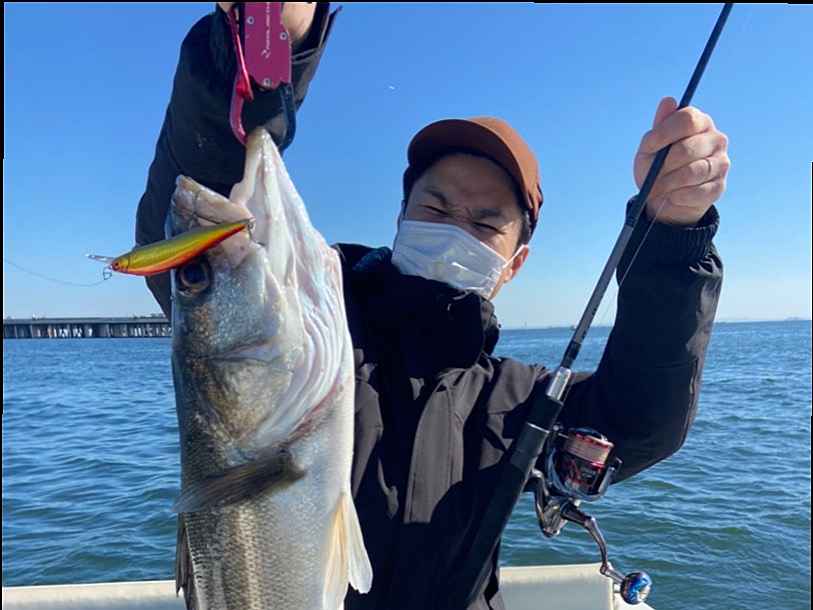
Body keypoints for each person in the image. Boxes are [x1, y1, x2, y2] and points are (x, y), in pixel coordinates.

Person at [135, 4, 729, 609]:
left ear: (514, 263)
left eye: (485, 223)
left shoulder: (519, 401)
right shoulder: (329, 323)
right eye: (435, 208)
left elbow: (643, 418)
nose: (453, 230)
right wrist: (263, 45)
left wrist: (672, 230)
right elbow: (193, 238)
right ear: (401, 217)